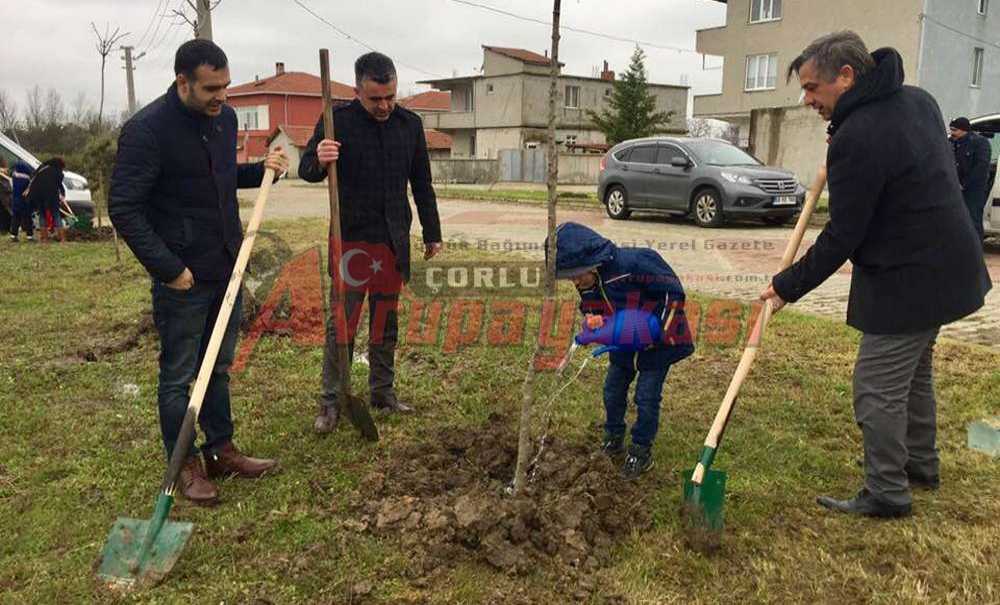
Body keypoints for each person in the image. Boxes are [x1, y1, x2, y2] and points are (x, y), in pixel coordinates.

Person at [761, 31, 991, 518]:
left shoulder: (857, 137)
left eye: (812, 88)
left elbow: (842, 236)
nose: (807, 100)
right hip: (950, 266)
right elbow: (900, 166)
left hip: (908, 279)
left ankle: (887, 490)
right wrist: (846, 134)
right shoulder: (919, 101)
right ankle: (920, 465)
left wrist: (785, 287)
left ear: (846, 77)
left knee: (877, 387)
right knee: (914, 374)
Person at [109, 39, 289, 506]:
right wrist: (169, 268)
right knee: (179, 376)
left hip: (226, 266)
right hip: (183, 277)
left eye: (226, 86)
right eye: (212, 88)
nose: (222, 97)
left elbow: (218, 179)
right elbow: (124, 207)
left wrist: (263, 170)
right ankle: (185, 464)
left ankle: (221, 449)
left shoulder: (223, 120)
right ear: (182, 82)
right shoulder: (147, 131)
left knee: (219, 368)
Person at [299, 51, 442, 431]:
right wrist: (319, 157)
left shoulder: (410, 125)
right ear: (357, 91)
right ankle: (330, 402)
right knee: (342, 324)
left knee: (385, 321)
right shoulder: (336, 121)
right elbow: (307, 170)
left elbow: (422, 184)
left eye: (390, 96)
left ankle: (382, 392)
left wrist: (433, 233)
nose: (384, 105)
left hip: (392, 241)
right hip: (350, 242)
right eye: (375, 98)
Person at [550, 222, 694, 479]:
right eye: (570, 277)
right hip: (625, 343)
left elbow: (673, 293)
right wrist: (593, 316)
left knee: (646, 397)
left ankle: (640, 449)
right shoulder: (587, 280)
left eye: (577, 275)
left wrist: (658, 331)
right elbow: (590, 303)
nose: (575, 281)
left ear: (592, 261)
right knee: (612, 390)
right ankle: (613, 437)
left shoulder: (635, 263)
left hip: (657, 345)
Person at [949, 116, 991, 240]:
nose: (952, 133)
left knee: (973, 220)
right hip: (954, 189)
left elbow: (981, 168)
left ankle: (976, 248)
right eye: (951, 129)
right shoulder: (951, 142)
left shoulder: (980, 143)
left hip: (972, 191)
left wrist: (964, 185)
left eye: (955, 130)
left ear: (964, 130)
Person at [26, 157, 66, 242]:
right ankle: (62, 238)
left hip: (38, 195)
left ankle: (44, 238)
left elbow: (34, 179)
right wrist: (62, 195)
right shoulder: (58, 172)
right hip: (51, 195)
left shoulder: (41, 169)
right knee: (56, 214)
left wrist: (62, 193)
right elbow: (59, 184)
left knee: (42, 215)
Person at [9, 160, 34, 241]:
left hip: (15, 199)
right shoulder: (27, 179)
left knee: (15, 218)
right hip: (24, 201)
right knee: (27, 218)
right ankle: (29, 235)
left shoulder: (14, 177)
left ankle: (13, 235)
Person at [0, 158, 12, 234]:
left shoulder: (4, 172)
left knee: (5, 212)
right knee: (4, 211)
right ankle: (4, 229)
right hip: (4, 194)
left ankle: (5, 229)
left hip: (4, 194)